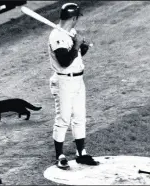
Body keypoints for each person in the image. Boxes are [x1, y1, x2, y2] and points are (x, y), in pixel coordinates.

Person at [48, 2, 100, 170]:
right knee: (63, 118)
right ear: (74, 18)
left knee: (79, 117)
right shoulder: (56, 36)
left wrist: (82, 48)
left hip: (78, 80)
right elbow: (64, 62)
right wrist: (76, 45)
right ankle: (60, 156)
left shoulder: (70, 32)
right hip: (64, 81)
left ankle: (81, 154)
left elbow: (76, 56)